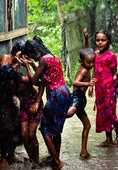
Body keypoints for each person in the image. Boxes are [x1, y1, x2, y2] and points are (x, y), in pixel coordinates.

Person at [21, 36, 71, 170]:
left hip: (55, 95)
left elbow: (33, 80)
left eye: (32, 55)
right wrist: (32, 63)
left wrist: (26, 65)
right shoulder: (53, 56)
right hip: (65, 92)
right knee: (56, 129)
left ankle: (57, 161)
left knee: (45, 130)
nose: (33, 58)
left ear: (36, 50)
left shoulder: (43, 60)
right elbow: (44, 74)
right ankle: (55, 157)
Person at [88, 29, 118, 147]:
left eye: (103, 40)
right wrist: (91, 86)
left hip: (110, 89)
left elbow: (115, 74)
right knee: (103, 113)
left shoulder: (111, 56)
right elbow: (94, 70)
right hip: (100, 90)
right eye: (98, 40)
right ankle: (108, 138)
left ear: (108, 41)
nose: (100, 42)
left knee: (110, 113)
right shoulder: (95, 54)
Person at [66, 46, 95, 159]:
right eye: (89, 62)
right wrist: (88, 84)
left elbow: (86, 50)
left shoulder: (86, 68)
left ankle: (84, 151)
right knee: (70, 112)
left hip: (81, 99)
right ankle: (56, 114)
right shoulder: (83, 70)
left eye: (93, 62)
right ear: (81, 61)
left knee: (87, 125)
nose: (91, 64)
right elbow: (75, 82)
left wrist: (86, 39)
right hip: (77, 97)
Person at [17, 59, 44, 167]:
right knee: (24, 135)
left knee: (31, 134)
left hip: (34, 104)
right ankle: (32, 159)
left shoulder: (24, 79)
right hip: (24, 106)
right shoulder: (7, 84)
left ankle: (36, 160)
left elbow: (42, 83)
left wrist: (37, 102)